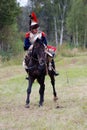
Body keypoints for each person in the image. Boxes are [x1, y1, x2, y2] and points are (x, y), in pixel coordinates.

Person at [23, 12, 58, 78]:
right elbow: (26, 45)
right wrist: (33, 47)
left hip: (41, 49)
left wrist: (42, 46)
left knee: (50, 56)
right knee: (25, 61)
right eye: (34, 28)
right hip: (31, 50)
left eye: (36, 28)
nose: (36, 29)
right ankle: (28, 73)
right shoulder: (28, 35)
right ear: (31, 29)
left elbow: (45, 43)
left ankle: (52, 69)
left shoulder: (41, 34)